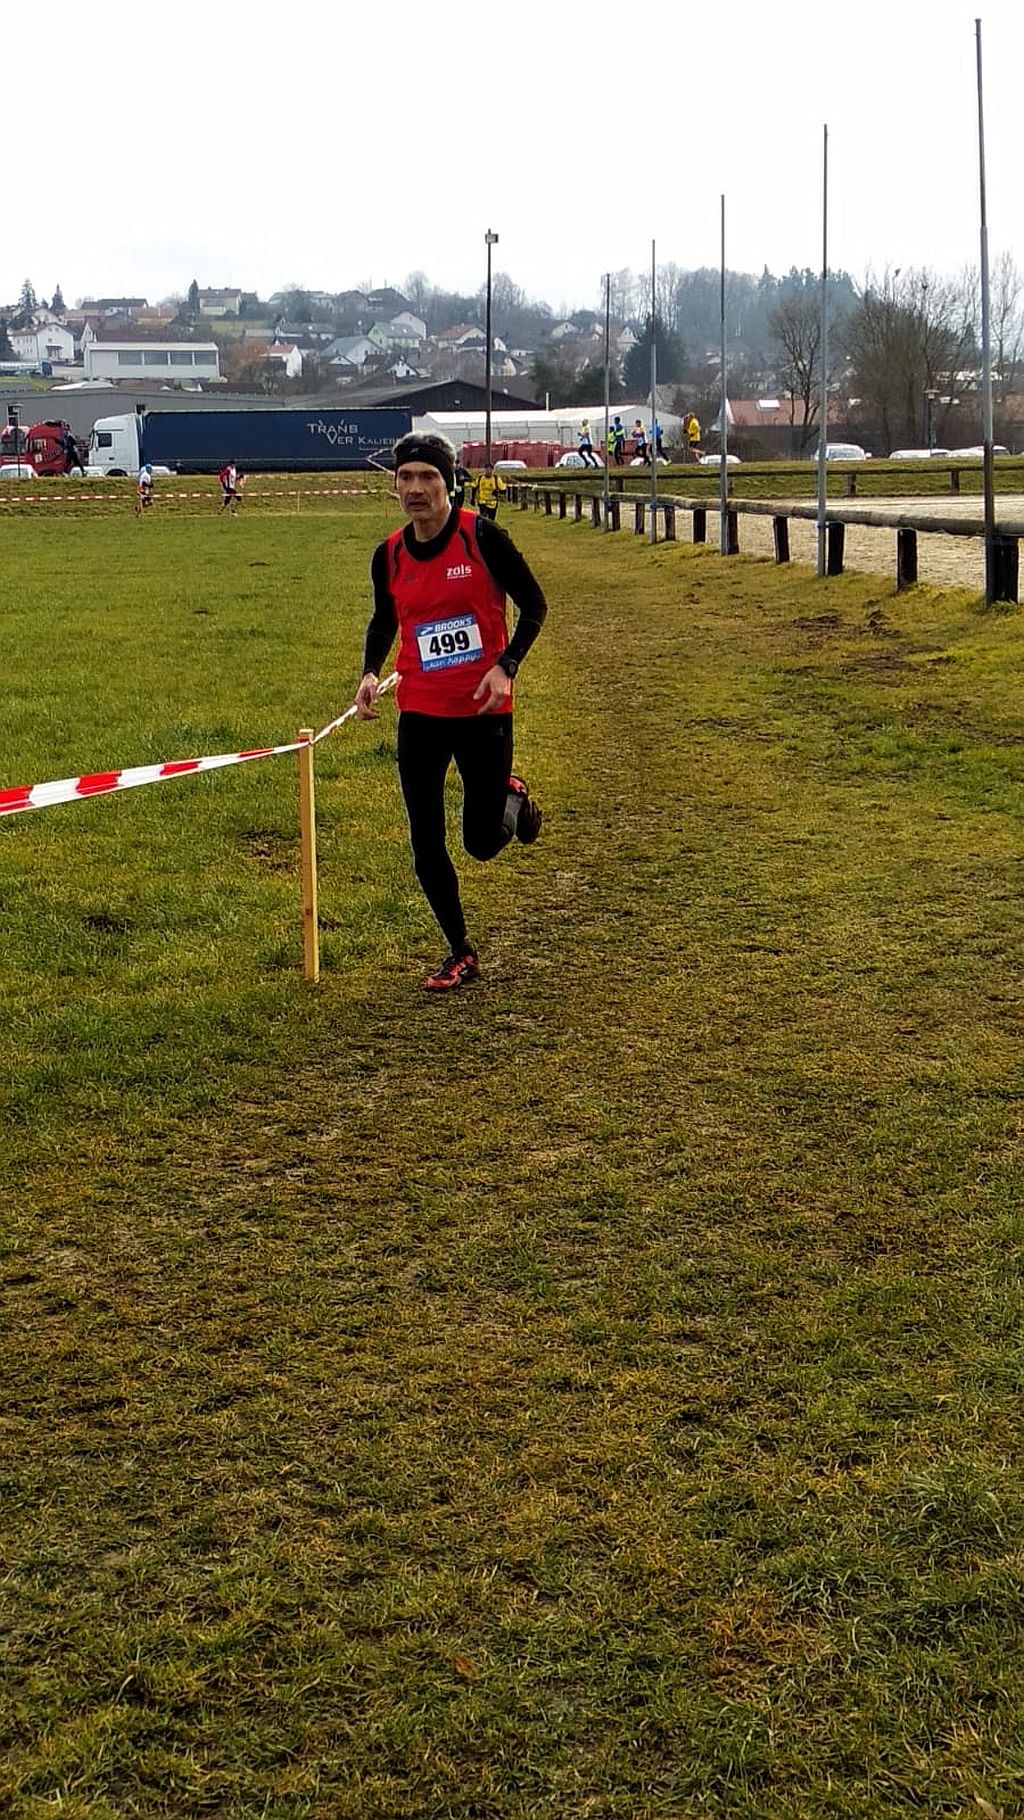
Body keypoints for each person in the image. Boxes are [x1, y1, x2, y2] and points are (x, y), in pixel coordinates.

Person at [355, 432, 547, 992]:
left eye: (428, 477)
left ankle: (510, 796)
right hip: (420, 712)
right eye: (406, 477)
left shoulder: (480, 537)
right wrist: (369, 672)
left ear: (448, 483)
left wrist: (506, 665)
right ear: (395, 485)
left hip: (483, 710)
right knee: (426, 842)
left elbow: (534, 605)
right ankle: (460, 951)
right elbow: (384, 619)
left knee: (481, 843)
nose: (415, 488)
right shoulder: (389, 554)